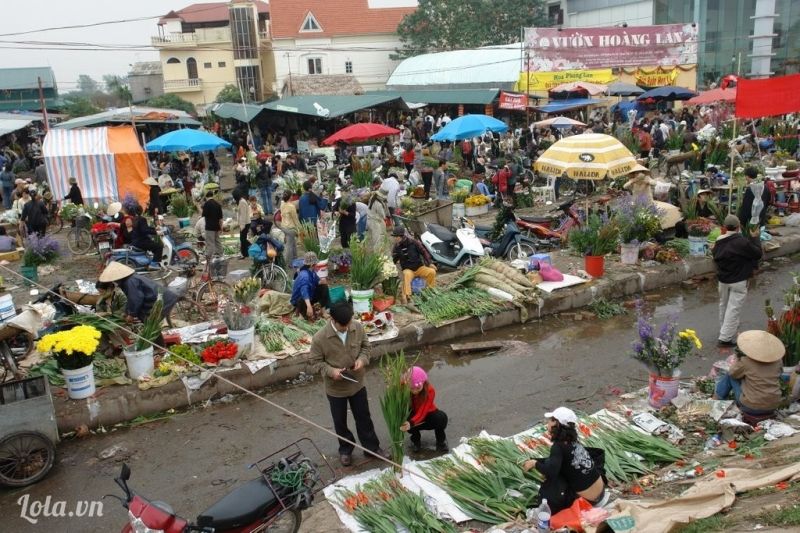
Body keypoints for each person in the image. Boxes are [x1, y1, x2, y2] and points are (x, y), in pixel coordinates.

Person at [310, 301, 387, 466]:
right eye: (342, 325)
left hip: (357, 383)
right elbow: (316, 363)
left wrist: (362, 360)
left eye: (348, 323)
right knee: (340, 421)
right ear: (333, 320)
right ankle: (345, 450)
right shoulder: (320, 338)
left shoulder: (357, 328)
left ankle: (372, 448)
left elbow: (366, 347)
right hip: (336, 388)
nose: (346, 327)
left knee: (364, 418)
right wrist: (332, 372)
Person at [521, 407, 608, 514]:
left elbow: (551, 472)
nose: (547, 423)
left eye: (551, 420)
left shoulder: (558, 447)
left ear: (556, 424)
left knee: (552, 485)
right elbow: (557, 463)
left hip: (589, 500)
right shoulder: (573, 441)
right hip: (601, 493)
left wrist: (534, 463)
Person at [713, 215, 762, 347]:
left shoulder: (718, 241)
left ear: (724, 227)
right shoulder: (742, 242)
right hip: (738, 281)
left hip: (723, 280)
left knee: (723, 305)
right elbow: (757, 254)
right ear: (738, 227)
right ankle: (725, 338)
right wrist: (755, 237)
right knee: (733, 309)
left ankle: (724, 330)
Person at [713, 330, 784, 417]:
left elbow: (733, 373)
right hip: (773, 406)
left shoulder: (746, 361)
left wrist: (738, 359)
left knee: (730, 375)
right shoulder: (778, 361)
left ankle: (717, 398)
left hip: (751, 407)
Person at [98, 261, 178, 323]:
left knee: (151, 326)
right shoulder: (129, 279)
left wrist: (131, 315)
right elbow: (131, 299)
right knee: (148, 323)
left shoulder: (130, 282)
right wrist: (127, 312)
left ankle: (157, 344)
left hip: (162, 300)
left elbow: (136, 299)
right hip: (158, 299)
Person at [399, 366, 448, 453]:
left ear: (423, 382)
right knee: (406, 421)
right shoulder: (404, 386)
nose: (414, 391)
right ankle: (415, 440)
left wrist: (411, 423)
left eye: (417, 388)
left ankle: (441, 441)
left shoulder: (430, 390)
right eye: (411, 388)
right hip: (413, 413)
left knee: (441, 418)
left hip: (427, 414)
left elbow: (423, 411)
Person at [392, 226, 436, 303]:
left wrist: (430, 263)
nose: (395, 238)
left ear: (401, 236)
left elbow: (424, 252)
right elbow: (394, 259)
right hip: (408, 269)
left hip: (419, 268)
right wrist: (390, 266)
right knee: (406, 274)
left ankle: (430, 291)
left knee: (432, 272)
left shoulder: (414, 242)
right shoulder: (396, 247)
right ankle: (407, 297)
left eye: (396, 236)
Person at [290, 252, 329, 319]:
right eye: (316, 264)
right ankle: (301, 315)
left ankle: (323, 312)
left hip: (310, 295)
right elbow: (304, 293)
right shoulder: (304, 276)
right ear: (311, 265)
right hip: (300, 300)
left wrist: (321, 282)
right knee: (307, 316)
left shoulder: (311, 271)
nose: (316, 264)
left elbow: (316, 282)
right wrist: (309, 306)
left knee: (324, 287)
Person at [278, 190, 300, 264]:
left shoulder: (282, 204)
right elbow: (295, 219)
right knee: (289, 246)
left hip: (284, 226)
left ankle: (295, 259)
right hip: (290, 228)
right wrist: (300, 228)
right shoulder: (291, 206)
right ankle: (288, 262)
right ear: (290, 197)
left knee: (293, 243)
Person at [201, 190, 223, 258]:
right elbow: (221, 218)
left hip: (209, 227)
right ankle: (220, 254)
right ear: (212, 196)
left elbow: (203, 215)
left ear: (206, 196)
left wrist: (198, 206)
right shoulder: (218, 204)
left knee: (210, 242)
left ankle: (208, 256)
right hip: (217, 226)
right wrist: (221, 227)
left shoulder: (206, 204)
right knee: (217, 241)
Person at [234, 190, 250, 259]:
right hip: (244, 223)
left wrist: (242, 226)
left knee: (242, 239)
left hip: (245, 223)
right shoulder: (241, 201)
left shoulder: (242, 202)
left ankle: (245, 254)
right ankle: (246, 252)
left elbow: (243, 215)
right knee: (243, 239)